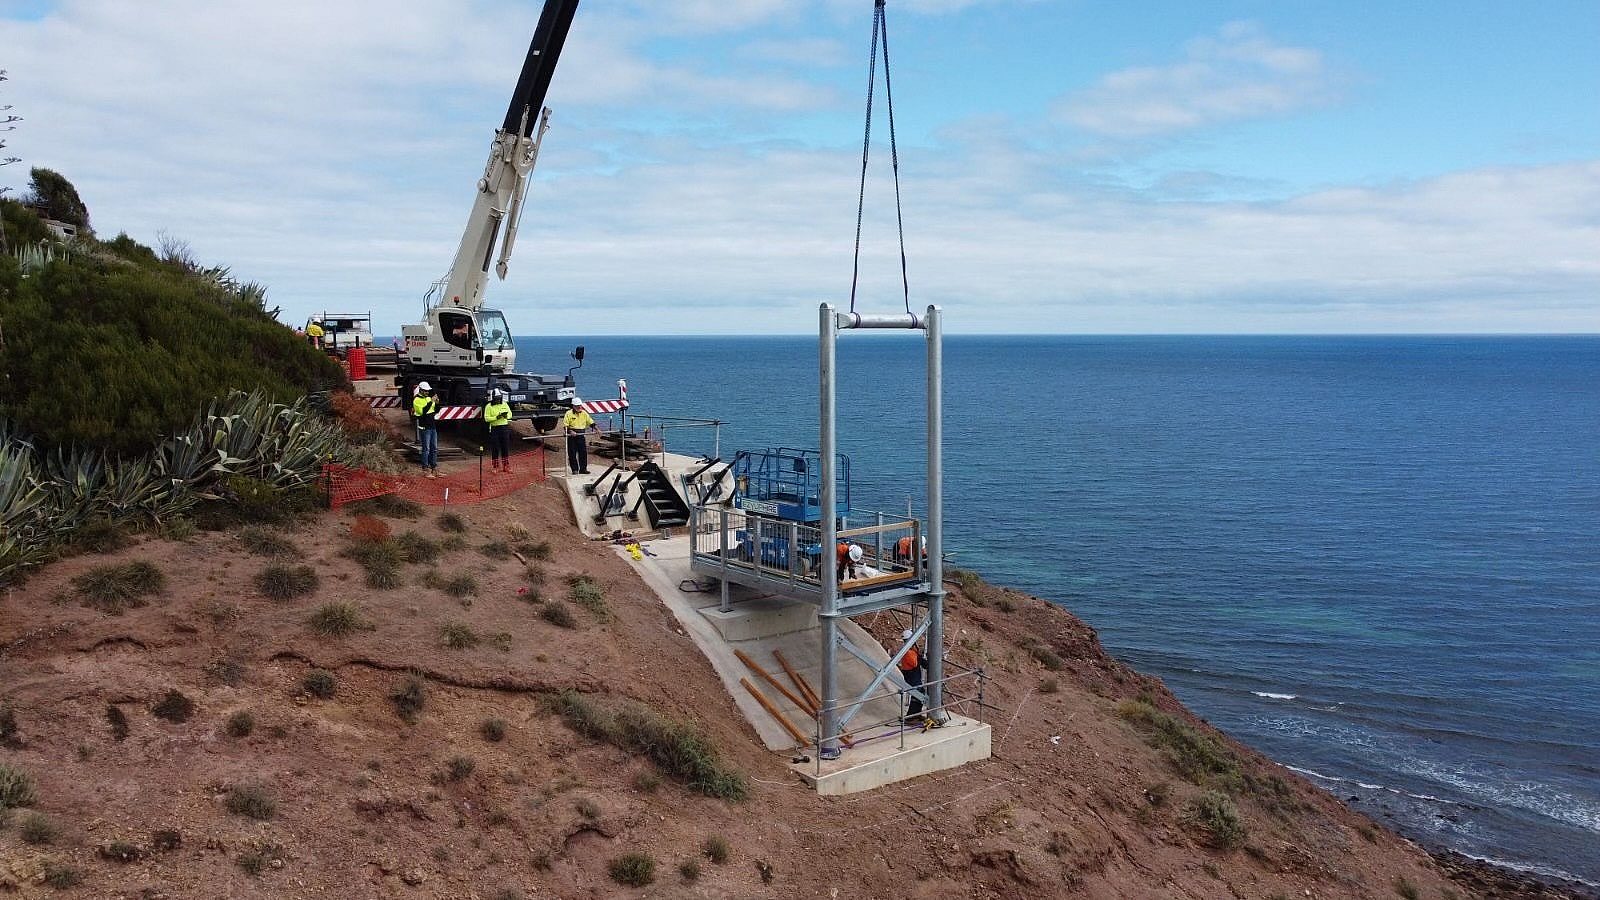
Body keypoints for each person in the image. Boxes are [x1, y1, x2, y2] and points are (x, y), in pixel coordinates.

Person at [898, 628, 927, 721]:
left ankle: (916, 714)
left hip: (913, 674)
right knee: (917, 695)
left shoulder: (911, 649)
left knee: (920, 694)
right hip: (911, 675)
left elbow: (917, 660)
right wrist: (920, 659)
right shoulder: (908, 651)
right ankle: (910, 717)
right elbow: (914, 663)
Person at [412, 381, 440, 478]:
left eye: (428, 391)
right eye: (426, 391)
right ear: (421, 390)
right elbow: (423, 412)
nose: (428, 393)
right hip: (424, 428)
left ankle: (434, 468)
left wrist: (436, 403)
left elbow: (435, 411)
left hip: (432, 427)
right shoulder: (416, 401)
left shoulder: (428, 398)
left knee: (434, 448)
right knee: (426, 449)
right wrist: (431, 401)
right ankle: (425, 469)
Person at [562, 399, 594, 475]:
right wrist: (570, 431)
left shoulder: (584, 413)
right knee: (572, 453)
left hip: (581, 436)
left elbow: (590, 422)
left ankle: (583, 469)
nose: (579, 407)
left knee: (583, 452)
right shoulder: (568, 413)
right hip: (572, 436)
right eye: (577, 406)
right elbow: (565, 425)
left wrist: (597, 429)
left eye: (580, 405)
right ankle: (575, 469)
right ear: (573, 406)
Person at [484, 388, 513, 472]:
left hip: (504, 428)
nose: (498, 400)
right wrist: (496, 417)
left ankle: (506, 465)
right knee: (495, 448)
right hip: (495, 428)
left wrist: (506, 416)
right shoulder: (488, 406)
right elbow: (486, 418)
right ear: (493, 398)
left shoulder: (504, 404)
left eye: (499, 398)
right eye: (496, 398)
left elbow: (510, 414)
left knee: (505, 447)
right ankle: (495, 466)